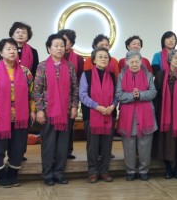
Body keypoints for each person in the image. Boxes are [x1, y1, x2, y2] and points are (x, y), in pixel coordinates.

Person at [0, 38, 35, 187]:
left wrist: (33, 110)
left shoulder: (25, 71)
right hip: (0, 117)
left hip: (21, 117)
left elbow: (32, 93)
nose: (12, 52)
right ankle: (0, 176)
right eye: (8, 49)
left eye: (14, 49)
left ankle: (12, 174)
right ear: (1, 52)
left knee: (18, 148)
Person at [33, 33, 79, 186]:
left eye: (62, 46)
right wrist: (40, 110)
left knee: (62, 146)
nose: (59, 48)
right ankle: (47, 174)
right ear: (49, 48)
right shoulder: (42, 66)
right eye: (56, 46)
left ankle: (59, 173)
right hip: (48, 113)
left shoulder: (69, 66)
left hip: (66, 112)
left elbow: (74, 88)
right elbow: (37, 90)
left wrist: (74, 106)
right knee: (48, 145)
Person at [116, 50, 157, 181]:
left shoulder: (148, 75)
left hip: (146, 115)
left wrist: (140, 94)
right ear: (126, 62)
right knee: (129, 145)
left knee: (145, 145)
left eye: (137, 61)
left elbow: (153, 92)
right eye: (132, 62)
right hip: (128, 116)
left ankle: (144, 170)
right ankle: (130, 171)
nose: (134, 64)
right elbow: (118, 95)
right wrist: (132, 96)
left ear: (141, 62)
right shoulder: (121, 75)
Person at [153, 49, 177, 179]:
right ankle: (168, 168)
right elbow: (155, 97)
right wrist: (155, 114)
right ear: (169, 59)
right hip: (164, 116)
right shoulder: (160, 76)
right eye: (176, 58)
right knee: (165, 141)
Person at [79, 47, 117, 184]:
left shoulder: (112, 76)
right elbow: (83, 95)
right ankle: (93, 172)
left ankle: (104, 171)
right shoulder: (86, 75)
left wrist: (113, 106)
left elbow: (117, 95)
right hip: (92, 114)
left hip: (109, 114)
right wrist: (98, 107)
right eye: (100, 56)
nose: (103, 59)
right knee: (93, 146)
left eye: (106, 57)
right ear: (94, 60)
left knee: (107, 146)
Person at [57, 29, 84, 160]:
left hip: (71, 96)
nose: (62, 43)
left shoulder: (78, 59)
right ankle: (55, 151)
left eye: (66, 41)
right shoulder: (54, 57)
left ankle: (67, 150)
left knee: (69, 124)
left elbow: (79, 79)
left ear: (72, 43)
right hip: (55, 97)